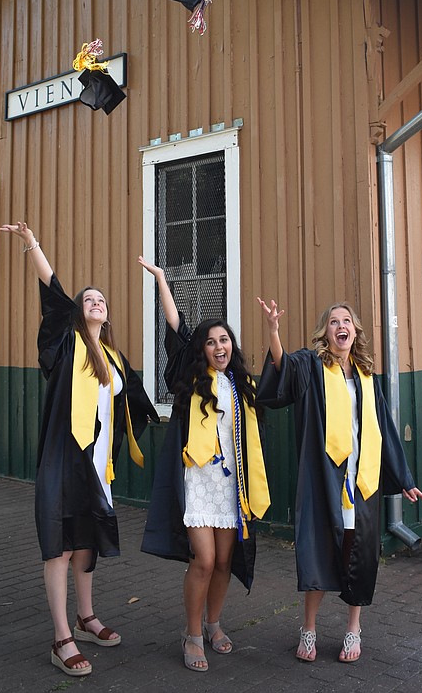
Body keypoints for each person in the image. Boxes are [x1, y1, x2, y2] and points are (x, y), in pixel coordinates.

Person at [0, 221, 160, 678]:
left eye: (100, 301)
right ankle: (61, 637)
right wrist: (34, 245)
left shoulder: (113, 358)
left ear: (106, 315)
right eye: (88, 300)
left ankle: (86, 618)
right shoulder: (65, 344)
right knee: (60, 548)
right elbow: (53, 293)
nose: (94, 303)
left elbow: (135, 404)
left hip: (96, 465)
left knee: (86, 544)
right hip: (64, 459)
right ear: (78, 311)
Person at [256, 297, 422, 664]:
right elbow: (283, 369)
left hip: (360, 479)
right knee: (320, 552)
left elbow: (384, 430)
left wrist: (403, 477)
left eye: (346, 320)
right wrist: (273, 331)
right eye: (333, 322)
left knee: (359, 556)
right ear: (325, 332)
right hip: (324, 478)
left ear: (354, 331)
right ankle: (309, 629)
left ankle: (353, 630)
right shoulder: (313, 366)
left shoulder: (366, 376)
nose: (340, 326)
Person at [140, 260, 270, 672]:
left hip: (232, 485)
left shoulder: (241, 385)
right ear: (202, 350)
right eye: (211, 342)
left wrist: (273, 332)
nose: (219, 347)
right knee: (205, 560)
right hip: (198, 480)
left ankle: (215, 624)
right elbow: (177, 328)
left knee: (227, 562)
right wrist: (163, 280)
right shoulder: (191, 381)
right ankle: (192, 633)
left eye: (224, 340)